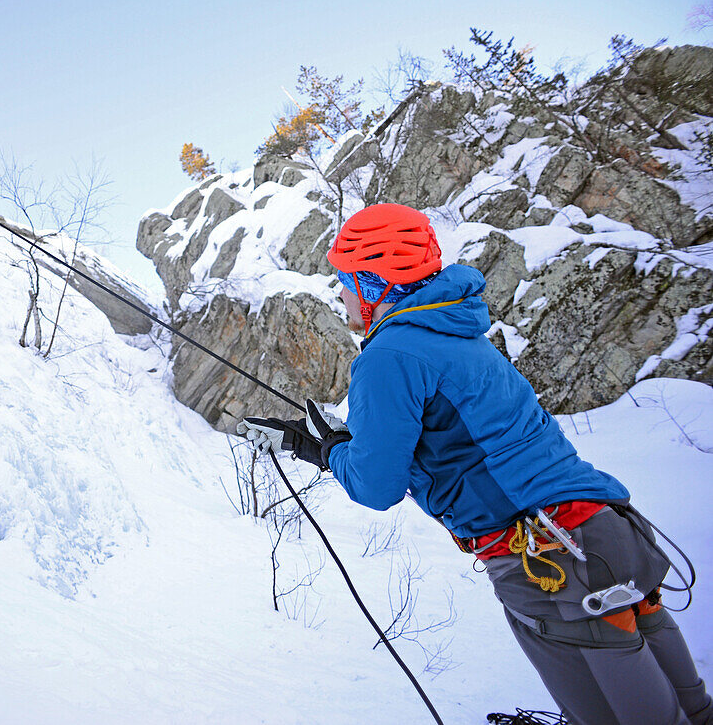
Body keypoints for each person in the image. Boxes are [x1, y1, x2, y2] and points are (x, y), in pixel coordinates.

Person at [237, 203, 711, 725]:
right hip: (606, 530)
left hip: (546, 559)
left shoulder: (389, 353)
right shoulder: (458, 331)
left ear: (373, 282)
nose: (341, 293)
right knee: (693, 707)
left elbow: (376, 486)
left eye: (345, 280)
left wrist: (323, 450)